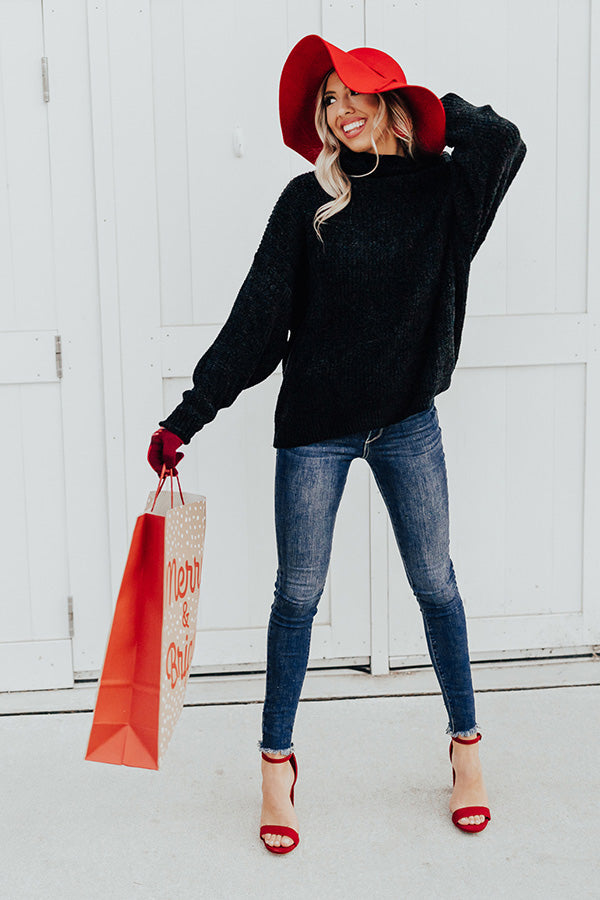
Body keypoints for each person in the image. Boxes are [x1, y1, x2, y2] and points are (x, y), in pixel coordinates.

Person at [147, 34, 527, 853]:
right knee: (297, 596)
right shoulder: (306, 201)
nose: (341, 109)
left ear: (385, 101)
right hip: (315, 430)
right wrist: (187, 415)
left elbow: (503, 140)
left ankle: (466, 751)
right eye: (329, 98)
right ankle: (275, 766)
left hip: (408, 423)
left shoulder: (445, 194)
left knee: (436, 584)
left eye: (355, 92)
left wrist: (426, 108)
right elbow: (257, 319)